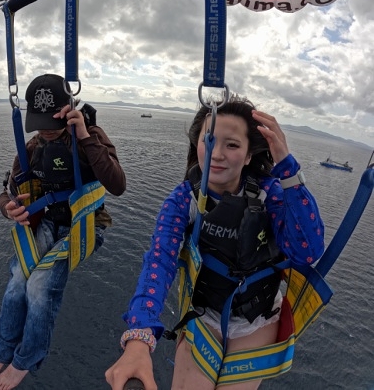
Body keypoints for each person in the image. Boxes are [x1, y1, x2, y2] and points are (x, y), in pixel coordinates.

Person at [105, 98, 324, 390]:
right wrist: (139, 335)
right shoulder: (184, 200)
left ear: (249, 155)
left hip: (257, 320)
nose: (216, 154)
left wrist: (287, 169)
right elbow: (160, 261)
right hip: (203, 315)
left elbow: (307, 251)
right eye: (208, 141)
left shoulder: (269, 194)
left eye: (232, 145)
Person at [0, 73, 126, 390]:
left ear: (69, 110)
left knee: (40, 284)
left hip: (86, 225)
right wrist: (8, 207)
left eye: (51, 121)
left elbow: (117, 184)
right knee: (18, 279)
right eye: (39, 122)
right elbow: (8, 191)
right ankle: (3, 349)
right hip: (49, 222)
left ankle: (26, 359)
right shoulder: (34, 147)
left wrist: (84, 136)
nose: (45, 130)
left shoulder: (90, 138)